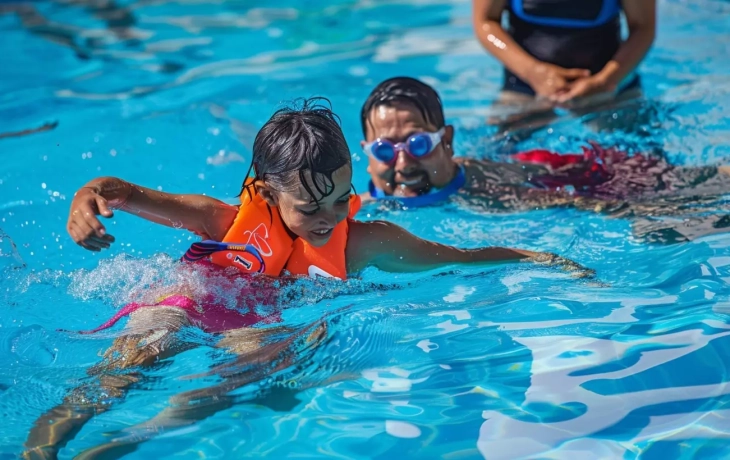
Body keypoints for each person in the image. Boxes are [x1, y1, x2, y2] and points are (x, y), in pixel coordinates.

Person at [24, 99, 589, 459]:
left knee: (254, 378)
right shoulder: (219, 218)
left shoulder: (366, 241)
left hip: (257, 320)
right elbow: (119, 189)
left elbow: (456, 258)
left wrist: (535, 258)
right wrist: (86, 200)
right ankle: (45, 446)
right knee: (141, 355)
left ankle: (128, 442)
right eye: (312, 207)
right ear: (267, 195)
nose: (331, 218)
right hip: (189, 297)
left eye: (342, 198)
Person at [360, 77, 730, 242]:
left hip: (563, 171)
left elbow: (580, 202)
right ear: (365, 154)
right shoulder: (354, 208)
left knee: (680, 190)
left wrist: (636, 212)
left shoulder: (489, 192)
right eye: (383, 150)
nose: (403, 162)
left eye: (419, 144)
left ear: (447, 142)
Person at [471, 0, 656, 129]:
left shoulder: (606, 84)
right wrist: (533, 73)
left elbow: (642, 26)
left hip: (610, 88)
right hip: (525, 87)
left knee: (640, 167)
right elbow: (485, 22)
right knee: (499, 157)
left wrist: (605, 81)